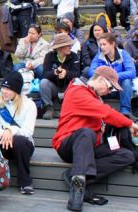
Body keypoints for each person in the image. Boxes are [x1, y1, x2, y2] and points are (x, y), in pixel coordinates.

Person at [52, 66, 138, 211]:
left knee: (127, 155)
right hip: (67, 145)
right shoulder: (77, 91)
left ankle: (74, 176)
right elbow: (106, 113)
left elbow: (108, 117)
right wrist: (132, 124)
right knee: (86, 133)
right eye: (110, 87)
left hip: (90, 147)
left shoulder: (95, 97)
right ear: (99, 79)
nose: (110, 92)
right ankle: (77, 188)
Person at [0, 72, 37, 195]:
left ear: (16, 91)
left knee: (20, 141)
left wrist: (11, 130)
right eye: (3, 87)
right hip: (3, 143)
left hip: (22, 147)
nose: (4, 91)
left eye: (8, 89)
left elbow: (28, 131)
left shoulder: (30, 105)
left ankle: (25, 181)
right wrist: (5, 133)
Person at [89, 32, 136, 117]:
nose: (102, 47)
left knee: (126, 81)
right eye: (100, 45)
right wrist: (104, 76)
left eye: (104, 44)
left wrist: (113, 76)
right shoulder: (99, 55)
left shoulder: (123, 54)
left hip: (120, 89)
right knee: (92, 80)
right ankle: (94, 109)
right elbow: (91, 71)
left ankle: (125, 111)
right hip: (104, 88)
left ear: (113, 44)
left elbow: (132, 72)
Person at [40, 33, 81, 120]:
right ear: (60, 47)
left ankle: (70, 110)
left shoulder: (74, 56)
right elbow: (44, 74)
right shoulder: (49, 56)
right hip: (54, 87)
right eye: (68, 45)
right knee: (43, 83)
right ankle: (49, 108)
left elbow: (77, 74)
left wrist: (66, 73)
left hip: (68, 88)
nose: (70, 47)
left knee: (77, 82)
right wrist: (54, 73)